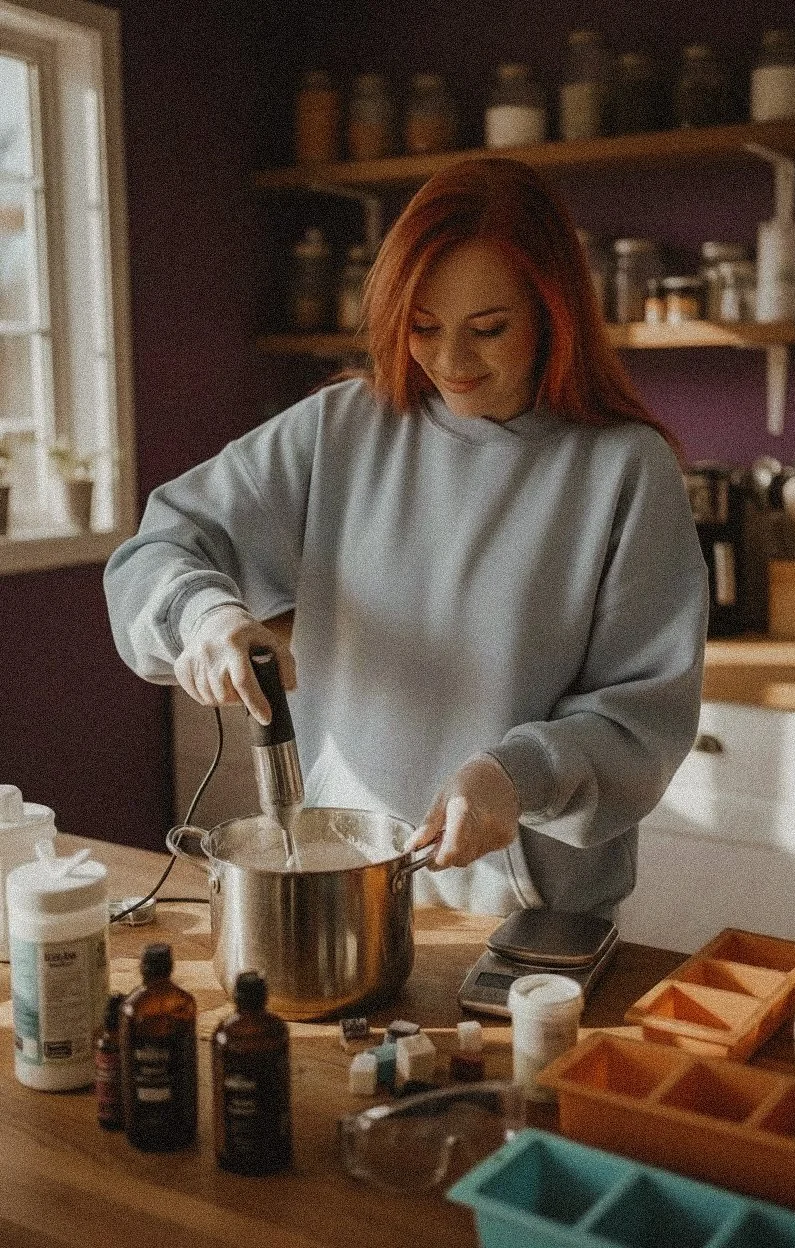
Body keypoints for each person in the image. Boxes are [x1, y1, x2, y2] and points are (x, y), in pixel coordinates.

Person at [104, 156, 708, 919]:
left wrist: (514, 776)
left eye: (488, 329)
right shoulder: (340, 429)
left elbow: (639, 721)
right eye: (423, 328)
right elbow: (159, 548)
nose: (451, 363)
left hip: (529, 915)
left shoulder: (624, 468)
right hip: (342, 881)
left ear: (554, 312)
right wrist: (207, 618)